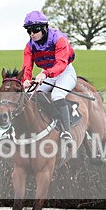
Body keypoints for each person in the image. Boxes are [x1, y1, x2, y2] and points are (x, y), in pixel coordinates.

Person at [20, 10, 76, 144]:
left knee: (56, 95)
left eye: (35, 29)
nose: (32, 34)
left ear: (44, 28)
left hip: (65, 72)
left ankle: (66, 131)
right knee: (29, 94)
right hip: (47, 74)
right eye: (28, 31)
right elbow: (27, 66)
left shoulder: (59, 39)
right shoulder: (29, 46)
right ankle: (53, 118)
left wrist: (44, 74)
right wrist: (26, 80)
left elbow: (61, 64)